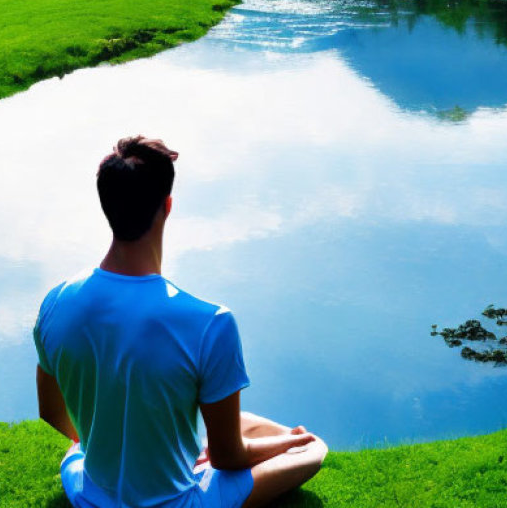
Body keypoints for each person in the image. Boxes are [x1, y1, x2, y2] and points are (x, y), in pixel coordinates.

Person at [33, 135, 327, 508]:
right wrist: (289, 442)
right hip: (177, 503)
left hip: (88, 491)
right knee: (312, 449)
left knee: (244, 420)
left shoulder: (55, 302)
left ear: (107, 206)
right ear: (167, 206)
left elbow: (51, 411)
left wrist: (104, 445)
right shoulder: (209, 322)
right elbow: (226, 459)